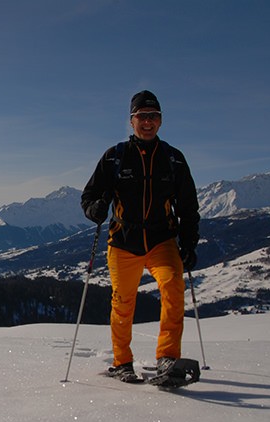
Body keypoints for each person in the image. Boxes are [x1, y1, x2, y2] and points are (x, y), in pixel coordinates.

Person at [81, 90, 200, 384]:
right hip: (123, 242)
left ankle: (167, 358)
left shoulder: (174, 160)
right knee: (123, 303)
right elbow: (89, 196)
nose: (148, 122)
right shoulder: (115, 157)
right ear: (131, 121)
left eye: (153, 116)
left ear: (160, 121)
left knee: (173, 286)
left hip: (162, 241)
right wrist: (95, 208)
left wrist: (189, 243)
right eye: (142, 116)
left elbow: (189, 207)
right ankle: (122, 362)